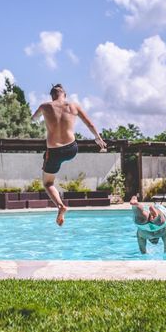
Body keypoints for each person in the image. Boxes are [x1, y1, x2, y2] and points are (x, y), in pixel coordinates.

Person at [32, 84, 107, 226]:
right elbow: (90, 124)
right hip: (72, 149)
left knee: (48, 183)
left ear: (52, 96)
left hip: (54, 152)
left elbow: (34, 119)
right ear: (64, 95)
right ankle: (60, 206)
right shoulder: (74, 106)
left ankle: (60, 206)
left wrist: (39, 117)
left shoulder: (44, 106)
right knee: (57, 160)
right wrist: (98, 137)